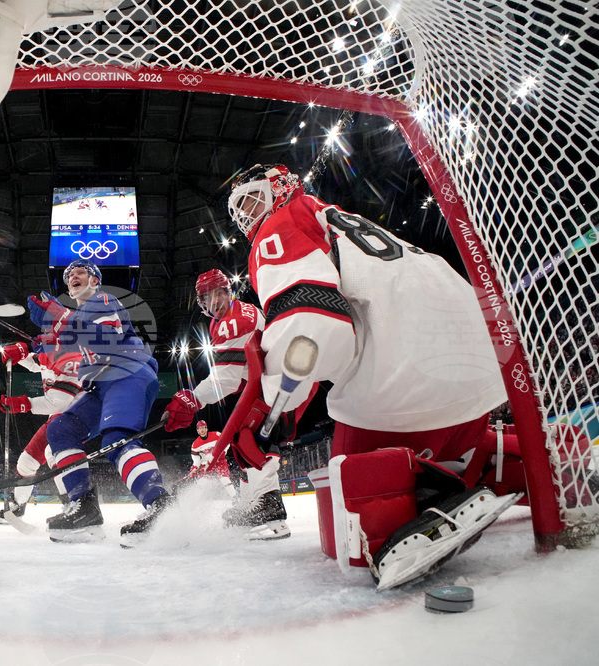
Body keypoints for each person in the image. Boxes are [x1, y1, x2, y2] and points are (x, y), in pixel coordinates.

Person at [225, 164, 517, 585]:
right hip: (478, 351)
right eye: (239, 209)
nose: (247, 215)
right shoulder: (334, 218)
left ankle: (432, 505)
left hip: (409, 370)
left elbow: (314, 330)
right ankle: (531, 459)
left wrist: (270, 413)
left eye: (251, 198)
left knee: (353, 496)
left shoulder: (282, 223)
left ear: (279, 187)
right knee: (454, 442)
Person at [27, 258, 171, 545]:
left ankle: (161, 506)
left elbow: (106, 338)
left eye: (80, 272)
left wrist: (59, 319)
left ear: (94, 280)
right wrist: (25, 351)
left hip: (126, 373)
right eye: (69, 275)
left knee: (117, 440)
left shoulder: (101, 301)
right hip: (100, 385)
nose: (73, 277)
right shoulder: (75, 317)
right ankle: (84, 510)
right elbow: (53, 356)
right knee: (61, 430)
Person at [163, 268, 306, 539]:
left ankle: (270, 507)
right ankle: (254, 503)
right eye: (207, 297)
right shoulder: (242, 310)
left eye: (214, 295)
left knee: (247, 436)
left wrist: (193, 398)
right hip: (277, 384)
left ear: (224, 293)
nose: (211, 302)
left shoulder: (231, 321)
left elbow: (226, 380)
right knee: (241, 442)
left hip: (278, 387)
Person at [0, 341, 83, 525]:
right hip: (56, 419)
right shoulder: (49, 354)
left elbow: (58, 402)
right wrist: (18, 355)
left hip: (75, 417)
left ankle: (73, 506)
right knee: (26, 463)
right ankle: (18, 508)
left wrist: (23, 403)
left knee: (54, 453)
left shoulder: (73, 358)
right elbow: (35, 362)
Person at [176, 420, 237, 500]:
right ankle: (195, 502)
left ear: (206, 428)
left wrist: (224, 452)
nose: (202, 430)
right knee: (202, 483)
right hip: (206, 465)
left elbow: (226, 442)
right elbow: (196, 461)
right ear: (197, 431)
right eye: (200, 428)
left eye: (203, 428)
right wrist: (194, 468)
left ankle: (235, 498)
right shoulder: (195, 444)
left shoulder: (217, 435)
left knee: (224, 479)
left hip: (219, 461)